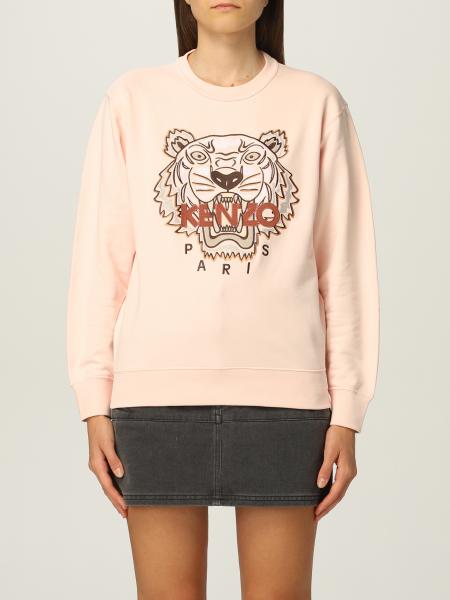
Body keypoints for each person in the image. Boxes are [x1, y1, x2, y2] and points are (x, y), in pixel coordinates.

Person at [66, 0, 380, 597]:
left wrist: (348, 411)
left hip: (287, 401)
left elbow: (343, 270)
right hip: (154, 398)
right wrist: (92, 399)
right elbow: (100, 265)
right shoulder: (132, 100)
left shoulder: (315, 103)